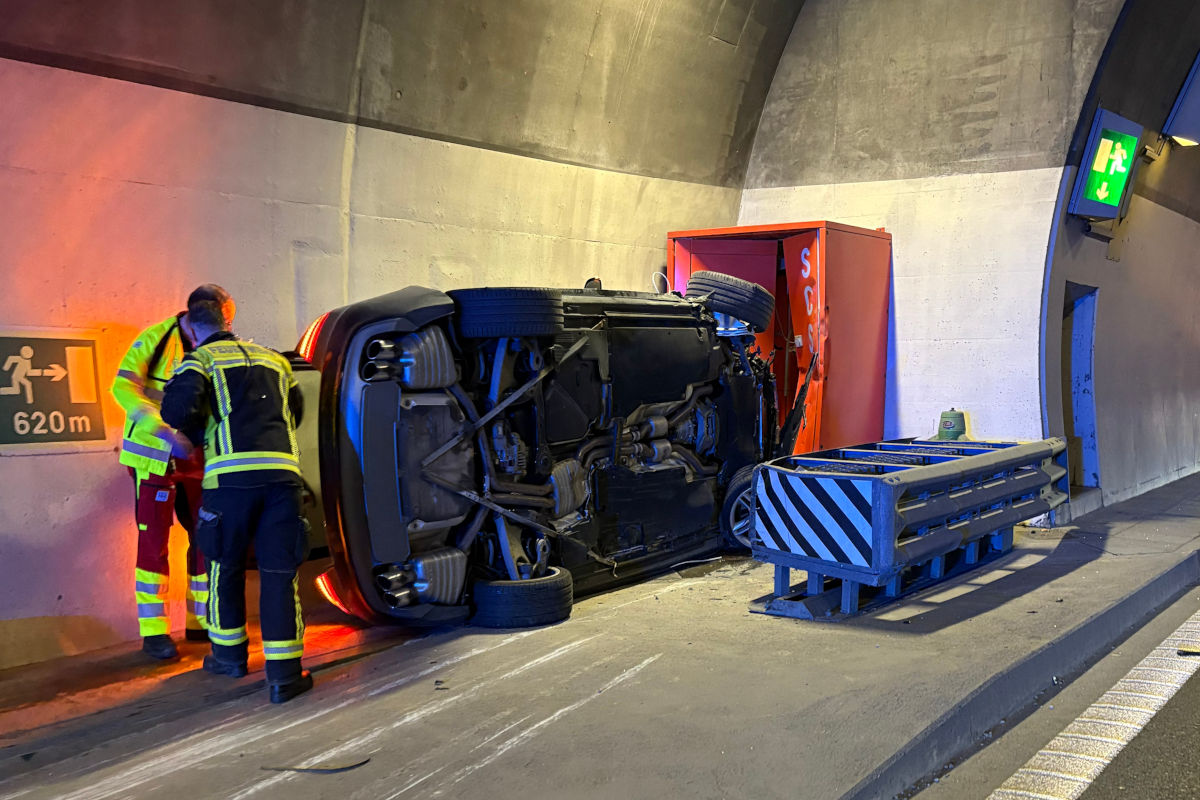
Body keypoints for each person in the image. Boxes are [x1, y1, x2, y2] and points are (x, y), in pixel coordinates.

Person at [160, 299, 312, 703]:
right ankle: (284, 675)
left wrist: (192, 430)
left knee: (223, 567)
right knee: (280, 575)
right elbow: (294, 415)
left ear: (192, 329)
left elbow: (177, 410)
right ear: (229, 318)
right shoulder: (275, 361)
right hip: (283, 479)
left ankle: (229, 657)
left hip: (229, 481)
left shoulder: (200, 360)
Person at [111, 285, 235, 659]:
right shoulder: (157, 337)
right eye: (224, 319)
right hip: (154, 459)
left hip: (198, 461)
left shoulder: (218, 346)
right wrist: (163, 432)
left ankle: (201, 623)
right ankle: (154, 632)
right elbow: (123, 387)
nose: (226, 326)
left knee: (204, 538)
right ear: (200, 317)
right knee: (154, 543)